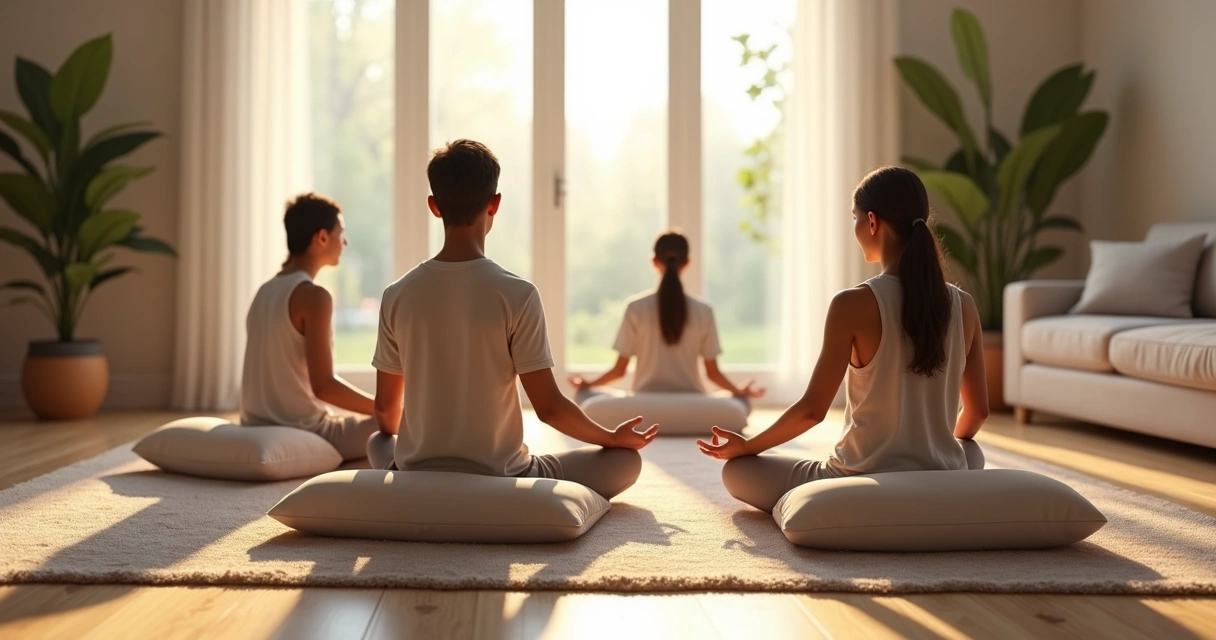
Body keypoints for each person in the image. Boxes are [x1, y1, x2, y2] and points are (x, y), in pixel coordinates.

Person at [366, 139, 657, 499]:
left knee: (380, 440)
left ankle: (418, 486)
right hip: (503, 478)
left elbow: (384, 411)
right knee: (626, 461)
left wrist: (417, 449)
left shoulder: (397, 293)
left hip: (416, 474)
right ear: (495, 204)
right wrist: (612, 438)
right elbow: (549, 409)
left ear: (434, 206)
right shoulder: (517, 294)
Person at [699, 166, 988, 512]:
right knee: (970, 451)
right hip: (939, 477)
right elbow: (978, 411)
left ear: (872, 222)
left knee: (738, 472)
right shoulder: (964, 305)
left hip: (858, 478)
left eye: (854, 219)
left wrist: (748, 447)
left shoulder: (852, 304)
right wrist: (937, 448)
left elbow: (811, 412)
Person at [240, 193, 379, 460]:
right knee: (410, 422)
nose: (345, 242)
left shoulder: (264, 292)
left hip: (254, 425)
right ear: (322, 238)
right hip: (308, 431)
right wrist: (384, 409)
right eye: (341, 234)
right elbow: (323, 387)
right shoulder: (314, 297)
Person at [569, 231, 765, 409]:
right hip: (693, 408)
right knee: (742, 403)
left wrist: (588, 384)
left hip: (643, 408)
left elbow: (619, 370)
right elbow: (712, 373)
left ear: (653, 261)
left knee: (584, 396)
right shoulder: (704, 310)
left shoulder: (634, 307)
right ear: (687, 262)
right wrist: (739, 392)